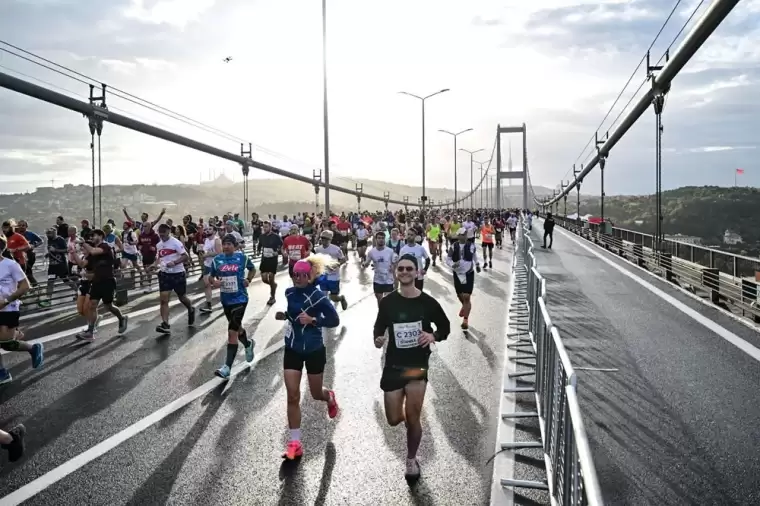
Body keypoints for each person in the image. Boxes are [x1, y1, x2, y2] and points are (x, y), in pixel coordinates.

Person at [373, 253, 450, 481]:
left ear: (417, 272)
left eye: (409, 269)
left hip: (416, 366)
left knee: (414, 415)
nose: (405, 272)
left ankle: (411, 460)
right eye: (401, 269)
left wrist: (432, 335)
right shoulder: (388, 302)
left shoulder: (427, 302)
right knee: (394, 419)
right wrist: (377, 338)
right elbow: (378, 327)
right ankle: (407, 420)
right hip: (394, 366)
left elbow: (445, 327)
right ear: (396, 273)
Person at [275, 256, 340, 461]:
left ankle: (329, 396)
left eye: (302, 275)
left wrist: (313, 320)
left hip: (313, 349)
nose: (298, 278)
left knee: (315, 393)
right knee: (293, 395)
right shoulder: (289, 293)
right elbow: (293, 312)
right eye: (295, 274)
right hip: (292, 347)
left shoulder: (319, 296)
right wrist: (284, 316)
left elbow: (333, 320)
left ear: (310, 276)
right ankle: (295, 442)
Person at [209, 234, 257, 379]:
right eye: (224, 244)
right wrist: (214, 282)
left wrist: (248, 279)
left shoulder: (242, 257)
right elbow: (211, 276)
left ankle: (227, 368)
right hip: (226, 300)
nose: (226, 246)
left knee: (231, 332)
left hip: (240, 298)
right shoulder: (217, 260)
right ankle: (248, 344)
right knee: (237, 328)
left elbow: (253, 269)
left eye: (229, 244)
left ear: (235, 246)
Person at [0, 235, 44, 384]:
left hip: (9, 308)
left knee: (7, 344)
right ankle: (2, 373)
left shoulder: (10, 264)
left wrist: (6, 301)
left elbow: (25, 286)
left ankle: (33, 349)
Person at [153, 224, 195, 334]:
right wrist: (154, 265)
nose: (162, 235)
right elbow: (159, 258)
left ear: (168, 232)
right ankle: (165, 324)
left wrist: (175, 262)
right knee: (163, 299)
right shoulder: (159, 245)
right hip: (164, 274)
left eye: (164, 233)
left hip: (178, 274)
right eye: (160, 233)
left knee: (182, 297)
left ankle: (190, 308)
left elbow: (186, 256)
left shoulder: (176, 242)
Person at [447, 228, 481, 330]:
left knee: (467, 297)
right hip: (458, 274)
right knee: (460, 296)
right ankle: (465, 307)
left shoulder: (471, 245)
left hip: (468, 273)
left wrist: (478, 264)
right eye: (462, 234)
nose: (465, 236)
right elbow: (448, 259)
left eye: (465, 234)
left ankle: (465, 320)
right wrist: (453, 264)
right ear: (458, 236)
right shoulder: (453, 246)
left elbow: (474, 256)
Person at [364, 230, 396, 306]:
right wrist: (365, 264)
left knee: (387, 301)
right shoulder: (371, 252)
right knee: (380, 301)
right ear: (375, 239)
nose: (381, 239)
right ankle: (381, 315)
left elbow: (395, 262)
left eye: (382, 238)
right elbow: (367, 263)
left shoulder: (390, 251)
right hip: (377, 280)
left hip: (388, 280)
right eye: (379, 238)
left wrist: (393, 267)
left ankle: (387, 316)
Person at [259, 221, 284, 305]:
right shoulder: (262, 236)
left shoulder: (276, 236)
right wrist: (258, 251)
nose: (265, 228)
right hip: (264, 259)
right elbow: (260, 245)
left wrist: (278, 252)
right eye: (264, 227)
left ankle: (272, 297)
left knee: (271, 277)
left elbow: (282, 246)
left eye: (266, 227)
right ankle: (273, 285)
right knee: (264, 279)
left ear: (270, 227)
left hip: (273, 260)